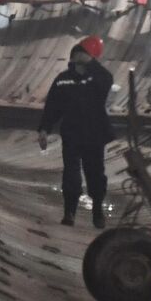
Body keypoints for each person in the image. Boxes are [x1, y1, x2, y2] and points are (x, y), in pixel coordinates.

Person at [36, 37, 115, 227]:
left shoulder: (97, 77)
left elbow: (106, 82)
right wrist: (44, 129)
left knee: (95, 172)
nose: (78, 55)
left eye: (82, 52)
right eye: (77, 52)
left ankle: (97, 210)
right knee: (71, 173)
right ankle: (69, 212)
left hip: (95, 134)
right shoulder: (63, 80)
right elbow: (53, 107)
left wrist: (92, 65)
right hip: (72, 133)